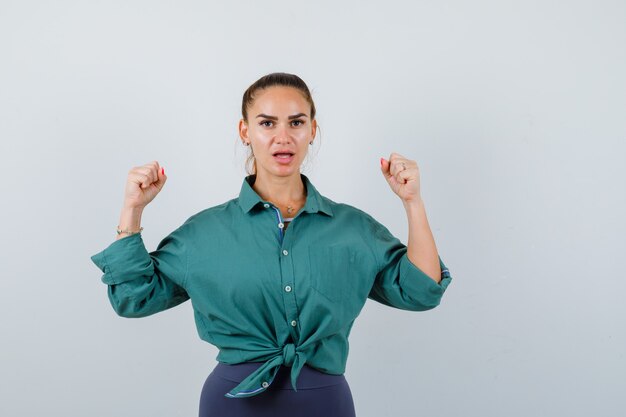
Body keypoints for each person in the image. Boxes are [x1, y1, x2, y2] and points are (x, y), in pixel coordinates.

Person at [90, 72, 453, 417]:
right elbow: (133, 298)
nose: (283, 137)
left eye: (296, 122)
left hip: (325, 404)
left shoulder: (354, 230)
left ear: (313, 130)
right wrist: (132, 209)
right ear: (245, 131)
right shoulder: (203, 233)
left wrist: (412, 202)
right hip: (233, 404)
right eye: (267, 123)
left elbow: (421, 291)